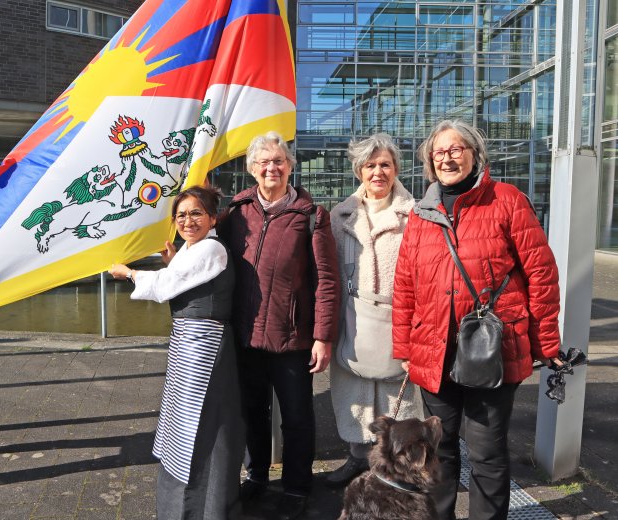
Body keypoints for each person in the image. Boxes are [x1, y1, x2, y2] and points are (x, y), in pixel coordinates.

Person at [392, 119, 563, 520]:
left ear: (474, 154)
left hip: (493, 348)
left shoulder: (505, 199)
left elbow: (541, 273)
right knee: (438, 450)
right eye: (439, 152)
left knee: (486, 452)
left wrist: (546, 342)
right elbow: (406, 287)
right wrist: (404, 348)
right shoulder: (421, 213)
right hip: (434, 351)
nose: (448, 157)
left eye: (456, 149)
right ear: (430, 163)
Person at [218, 132, 340, 520]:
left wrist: (323, 336)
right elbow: (207, 254)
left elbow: (327, 281)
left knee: (298, 417)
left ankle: (296, 486)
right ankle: (256, 476)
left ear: (290, 166)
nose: (272, 167)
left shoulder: (311, 216)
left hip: (292, 339)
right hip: (247, 335)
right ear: (252, 169)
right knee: (252, 411)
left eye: (279, 161)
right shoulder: (236, 213)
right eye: (264, 162)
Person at [108, 185, 243, 520]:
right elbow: (179, 275)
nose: (187, 220)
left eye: (196, 213)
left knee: (198, 426)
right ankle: (186, 507)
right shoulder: (195, 249)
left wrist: (128, 273)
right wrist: (173, 259)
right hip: (189, 344)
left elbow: (167, 285)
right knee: (183, 423)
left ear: (212, 218)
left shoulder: (211, 248)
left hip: (204, 345)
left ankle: (200, 509)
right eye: (181, 215)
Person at [326, 133, 424, 488]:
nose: (378, 172)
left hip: (398, 316)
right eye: (370, 165)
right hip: (352, 316)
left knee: (396, 395)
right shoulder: (340, 216)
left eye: (385, 164)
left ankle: (398, 465)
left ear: (396, 168)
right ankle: (356, 459)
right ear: (359, 171)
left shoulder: (415, 215)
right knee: (353, 389)